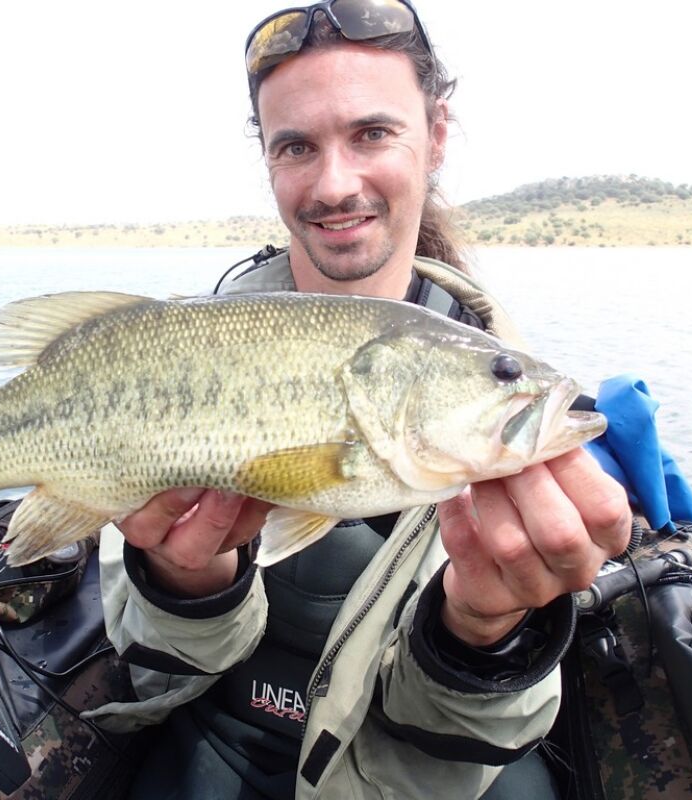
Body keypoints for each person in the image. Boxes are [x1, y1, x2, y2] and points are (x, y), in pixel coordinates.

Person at [88, 2, 632, 798]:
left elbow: (471, 738)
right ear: (268, 160)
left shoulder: (498, 407)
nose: (335, 183)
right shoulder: (178, 364)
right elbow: (151, 666)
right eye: (296, 147)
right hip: (219, 736)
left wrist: (484, 629)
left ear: (436, 135)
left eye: (372, 133)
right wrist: (182, 580)